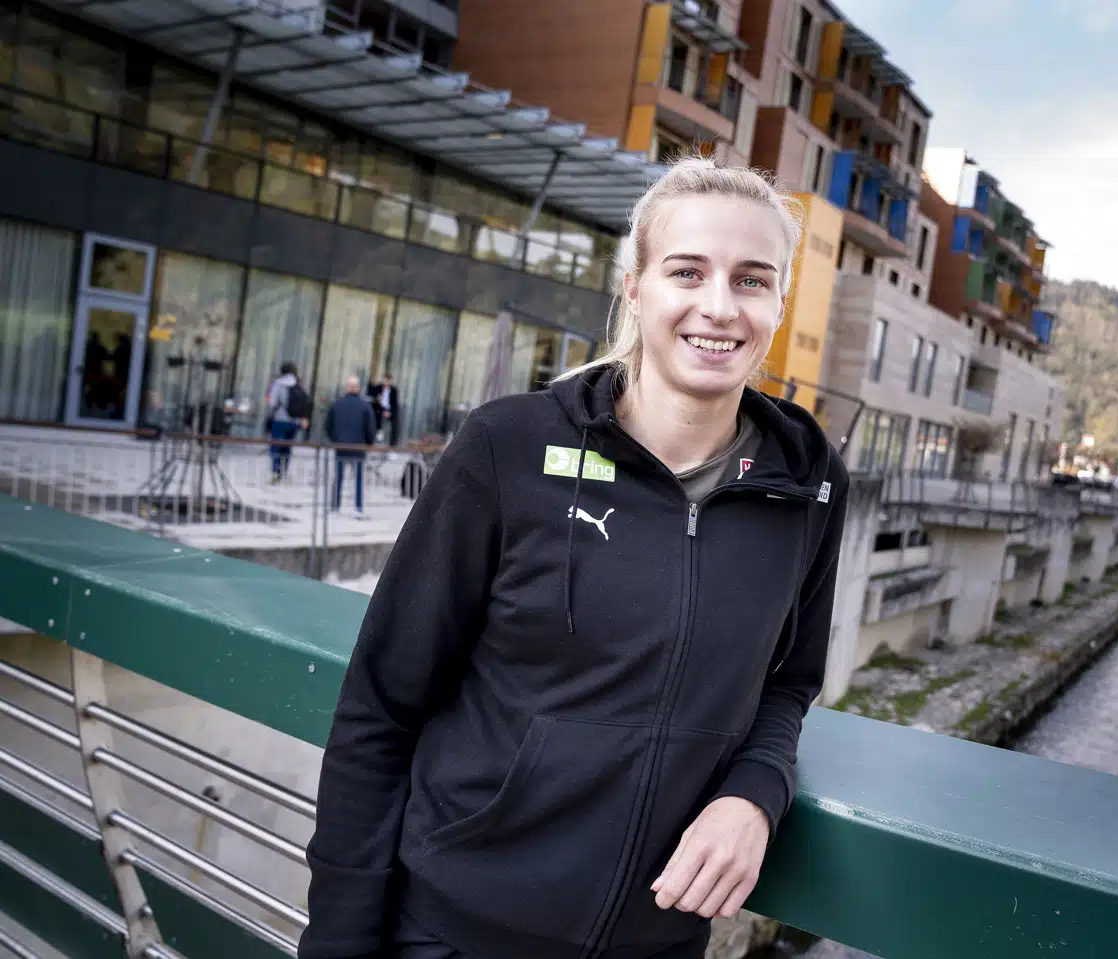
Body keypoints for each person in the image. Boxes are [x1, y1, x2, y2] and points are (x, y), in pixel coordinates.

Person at [298, 157, 850, 959]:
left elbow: (790, 681)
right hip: (450, 934)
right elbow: (380, 709)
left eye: (752, 280)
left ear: (777, 302)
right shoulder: (507, 449)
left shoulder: (807, 483)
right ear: (634, 286)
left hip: (654, 943)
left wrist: (756, 792)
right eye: (687, 271)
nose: (719, 306)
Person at [325, 376, 377, 515]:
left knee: (338, 477)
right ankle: (358, 507)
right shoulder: (365, 406)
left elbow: (328, 426)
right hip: (358, 447)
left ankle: (335, 506)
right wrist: (369, 443)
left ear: (347, 388)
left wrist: (335, 439)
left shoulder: (337, 404)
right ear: (358, 388)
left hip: (341, 446)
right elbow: (370, 428)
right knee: (358, 478)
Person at [265, 362, 309, 481]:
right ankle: (285, 469)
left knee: (276, 445)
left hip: (280, 419)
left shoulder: (278, 383)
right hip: (295, 421)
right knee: (288, 446)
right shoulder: (300, 384)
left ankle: (276, 470)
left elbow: (272, 403)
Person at [367, 371, 400, 446]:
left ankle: (392, 445)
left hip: (389, 409)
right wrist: (377, 399)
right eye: (384, 380)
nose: (386, 383)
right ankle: (379, 431)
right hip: (379, 408)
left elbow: (395, 404)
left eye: (388, 381)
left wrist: (390, 412)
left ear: (390, 381)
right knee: (376, 414)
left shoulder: (394, 390)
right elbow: (372, 398)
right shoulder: (378, 388)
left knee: (396, 423)